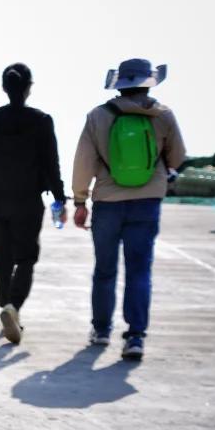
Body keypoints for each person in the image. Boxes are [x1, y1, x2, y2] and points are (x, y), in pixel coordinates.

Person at [72, 58, 186, 361]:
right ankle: (135, 337)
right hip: (147, 201)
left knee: (105, 270)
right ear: (149, 82)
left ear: (119, 83)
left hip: (108, 203)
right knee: (139, 270)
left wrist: (80, 201)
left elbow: (84, 162)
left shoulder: (98, 116)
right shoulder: (162, 115)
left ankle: (101, 330)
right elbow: (177, 158)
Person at [0, 63, 67, 344]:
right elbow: (52, 163)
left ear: (4, 87)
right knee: (25, 258)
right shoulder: (41, 120)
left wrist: (0, 166)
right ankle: (14, 307)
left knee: (1, 259)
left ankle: (6, 308)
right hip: (28, 198)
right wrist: (60, 197)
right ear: (28, 88)